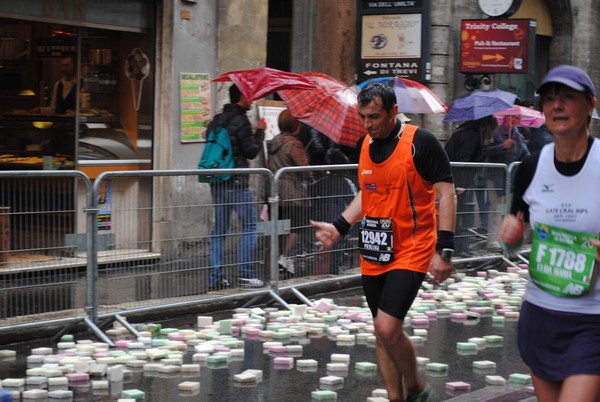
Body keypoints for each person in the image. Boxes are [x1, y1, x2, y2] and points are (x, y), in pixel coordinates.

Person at [311, 83, 456, 402]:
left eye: (374, 116)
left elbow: (446, 192)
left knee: (388, 328)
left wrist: (444, 249)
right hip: (375, 250)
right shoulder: (365, 145)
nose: (368, 124)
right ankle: (396, 398)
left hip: (412, 249)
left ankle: (416, 387)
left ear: (393, 111)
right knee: (380, 329)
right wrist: (339, 226)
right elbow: (368, 192)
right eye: (362, 117)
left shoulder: (421, 142)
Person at [498, 65, 600, 402]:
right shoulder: (531, 166)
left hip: (592, 321)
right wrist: (510, 237)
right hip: (541, 317)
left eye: (567, 97)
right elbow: (513, 243)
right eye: (550, 99)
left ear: (590, 105)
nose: (556, 106)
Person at [207, 84, 266, 290]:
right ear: (241, 97)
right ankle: (245, 274)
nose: (252, 99)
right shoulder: (241, 121)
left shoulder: (216, 120)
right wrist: (260, 132)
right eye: (249, 95)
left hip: (218, 182)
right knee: (249, 227)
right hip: (238, 183)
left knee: (219, 231)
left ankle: (215, 277)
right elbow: (250, 151)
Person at [444, 115, 498, 256]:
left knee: (460, 214)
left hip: (457, 179)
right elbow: (464, 161)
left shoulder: (470, 134)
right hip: (457, 180)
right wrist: (461, 184)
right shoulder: (471, 136)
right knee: (459, 214)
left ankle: (460, 247)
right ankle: (458, 248)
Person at [266, 109, 310, 275]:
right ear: (295, 125)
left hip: (275, 191)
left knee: (281, 226)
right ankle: (284, 257)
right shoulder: (294, 144)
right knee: (299, 224)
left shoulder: (273, 142)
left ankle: (283, 261)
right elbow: (305, 170)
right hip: (292, 192)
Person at [484, 113, 530, 251]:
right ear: (505, 118)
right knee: (495, 209)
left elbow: (525, 155)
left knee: (506, 210)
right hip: (495, 178)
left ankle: (502, 239)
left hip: (510, 180)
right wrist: (501, 147)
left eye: (518, 118)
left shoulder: (519, 137)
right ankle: (492, 241)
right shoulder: (495, 133)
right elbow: (485, 152)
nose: (515, 120)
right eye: (512, 117)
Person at [310, 148, 357, 274]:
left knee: (326, 244)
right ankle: (335, 268)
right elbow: (353, 199)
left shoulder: (322, 182)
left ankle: (325, 268)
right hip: (339, 216)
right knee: (338, 244)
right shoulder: (346, 183)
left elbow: (312, 192)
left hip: (324, 215)